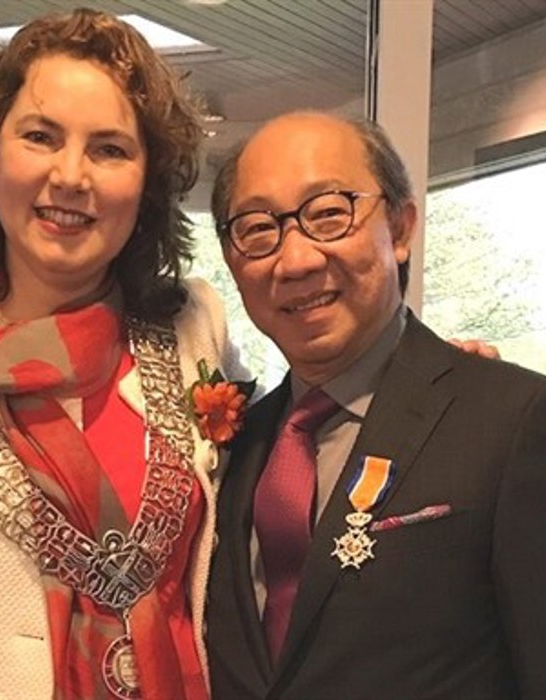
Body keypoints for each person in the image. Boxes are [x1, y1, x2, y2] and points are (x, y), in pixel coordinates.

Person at [0, 9, 245, 700]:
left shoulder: (192, 326)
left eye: (109, 149)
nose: (71, 175)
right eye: (40, 137)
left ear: (147, 183)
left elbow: (258, 499)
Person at [205, 111, 546, 700]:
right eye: (258, 228)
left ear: (401, 227)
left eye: (329, 214)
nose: (297, 260)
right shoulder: (232, 449)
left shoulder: (514, 419)